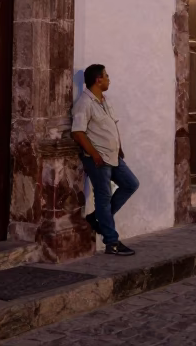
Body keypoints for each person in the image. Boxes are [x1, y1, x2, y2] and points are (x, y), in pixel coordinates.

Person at [71, 64, 139, 256]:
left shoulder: (104, 100)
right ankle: (111, 241)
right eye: (106, 76)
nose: (109, 79)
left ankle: (95, 219)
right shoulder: (84, 103)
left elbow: (112, 125)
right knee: (104, 198)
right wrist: (93, 154)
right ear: (98, 80)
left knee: (130, 184)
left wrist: (120, 147)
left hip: (113, 155)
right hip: (98, 159)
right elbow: (77, 132)